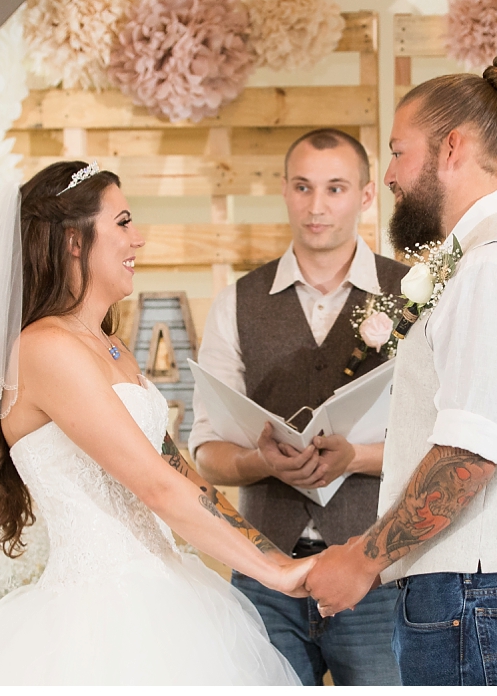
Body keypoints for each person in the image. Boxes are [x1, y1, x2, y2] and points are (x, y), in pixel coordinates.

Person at [0, 161, 309, 685]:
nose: (138, 238)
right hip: (99, 623)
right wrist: (277, 574)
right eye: (122, 222)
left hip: (170, 599)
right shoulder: (45, 348)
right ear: (74, 240)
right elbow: (158, 488)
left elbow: (184, 476)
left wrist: (273, 558)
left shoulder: (112, 348)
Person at [304, 56, 497, 686]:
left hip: (471, 596)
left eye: (399, 151)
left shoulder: (494, 267)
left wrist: (363, 559)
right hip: (476, 594)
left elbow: (467, 457)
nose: (390, 174)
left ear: (452, 147)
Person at [189, 129, 408, 685]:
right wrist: (262, 463)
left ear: (364, 197)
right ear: (284, 191)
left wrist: (354, 457)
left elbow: (443, 443)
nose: (316, 206)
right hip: (266, 575)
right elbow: (208, 453)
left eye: (335, 189)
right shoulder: (237, 302)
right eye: (303, 187)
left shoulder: (413, 294)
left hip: (379, 573)